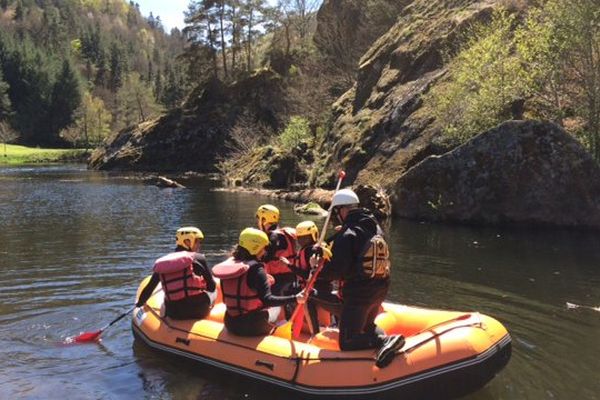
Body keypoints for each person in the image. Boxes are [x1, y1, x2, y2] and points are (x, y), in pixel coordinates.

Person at [317, 189, 405, 368]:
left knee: (347, 342)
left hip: (359, 295)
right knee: (367, 326)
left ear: (342, 210)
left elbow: (336, 271)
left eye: (336, 212)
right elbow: (355, 246)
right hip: (379, 290)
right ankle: (384, 340)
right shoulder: (375, 227)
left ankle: (384, 342)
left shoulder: (348, 234)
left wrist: (317, 267)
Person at [213, 227, 303, 336]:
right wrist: (295, 298)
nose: (265, 251)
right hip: (253, 326)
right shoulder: (257, 269)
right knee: (278, 309)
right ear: (255, 248)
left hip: (230, 323)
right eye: (263, 248)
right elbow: (268, 300)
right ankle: (280, 332)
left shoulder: (229, 265)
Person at [136, 227, 217, 320]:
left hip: (173, 313)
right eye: (197, 241)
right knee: (215, 290)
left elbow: (149, 288)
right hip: (198, 310)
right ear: (187, 242)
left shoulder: (164, 263)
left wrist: (139, 304)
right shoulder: (199, 258)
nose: (199, 245)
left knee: (164, 300)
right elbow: (212, 287)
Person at [291, 220, 340, 333]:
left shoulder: (312, 251)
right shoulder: (319, 248)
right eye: (301, 239)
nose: (303, 241)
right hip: (325, 286)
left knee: (307, 299)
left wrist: (289, 266)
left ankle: (315, 332)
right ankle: (334, 324)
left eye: (305, 238)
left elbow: (308, 274)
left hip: (316, 288)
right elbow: (328, 241)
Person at [255, 204, 297, 296]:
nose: (257, 221)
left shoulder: (273, 237)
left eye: (258, 218)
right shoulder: (282, 233)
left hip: (278, 280)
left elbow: (266, 258)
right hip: (290, 277)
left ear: (264, 220)